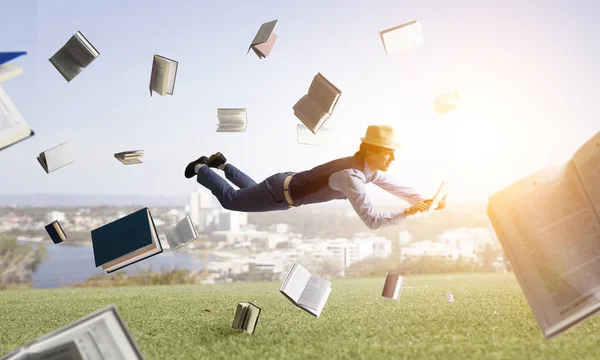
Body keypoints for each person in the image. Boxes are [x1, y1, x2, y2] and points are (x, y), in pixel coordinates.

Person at [184, 125, 446, 230]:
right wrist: (409, 213)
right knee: (231, 200)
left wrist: (425, 200)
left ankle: (223, 164)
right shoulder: (351, 177)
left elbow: (396, 187)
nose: (393, 159)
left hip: (283, 189)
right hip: (280, 192)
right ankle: (202, 168)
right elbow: (373, 221)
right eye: (389, 153)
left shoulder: (368, 169)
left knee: (250, 192)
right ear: (372, 151)